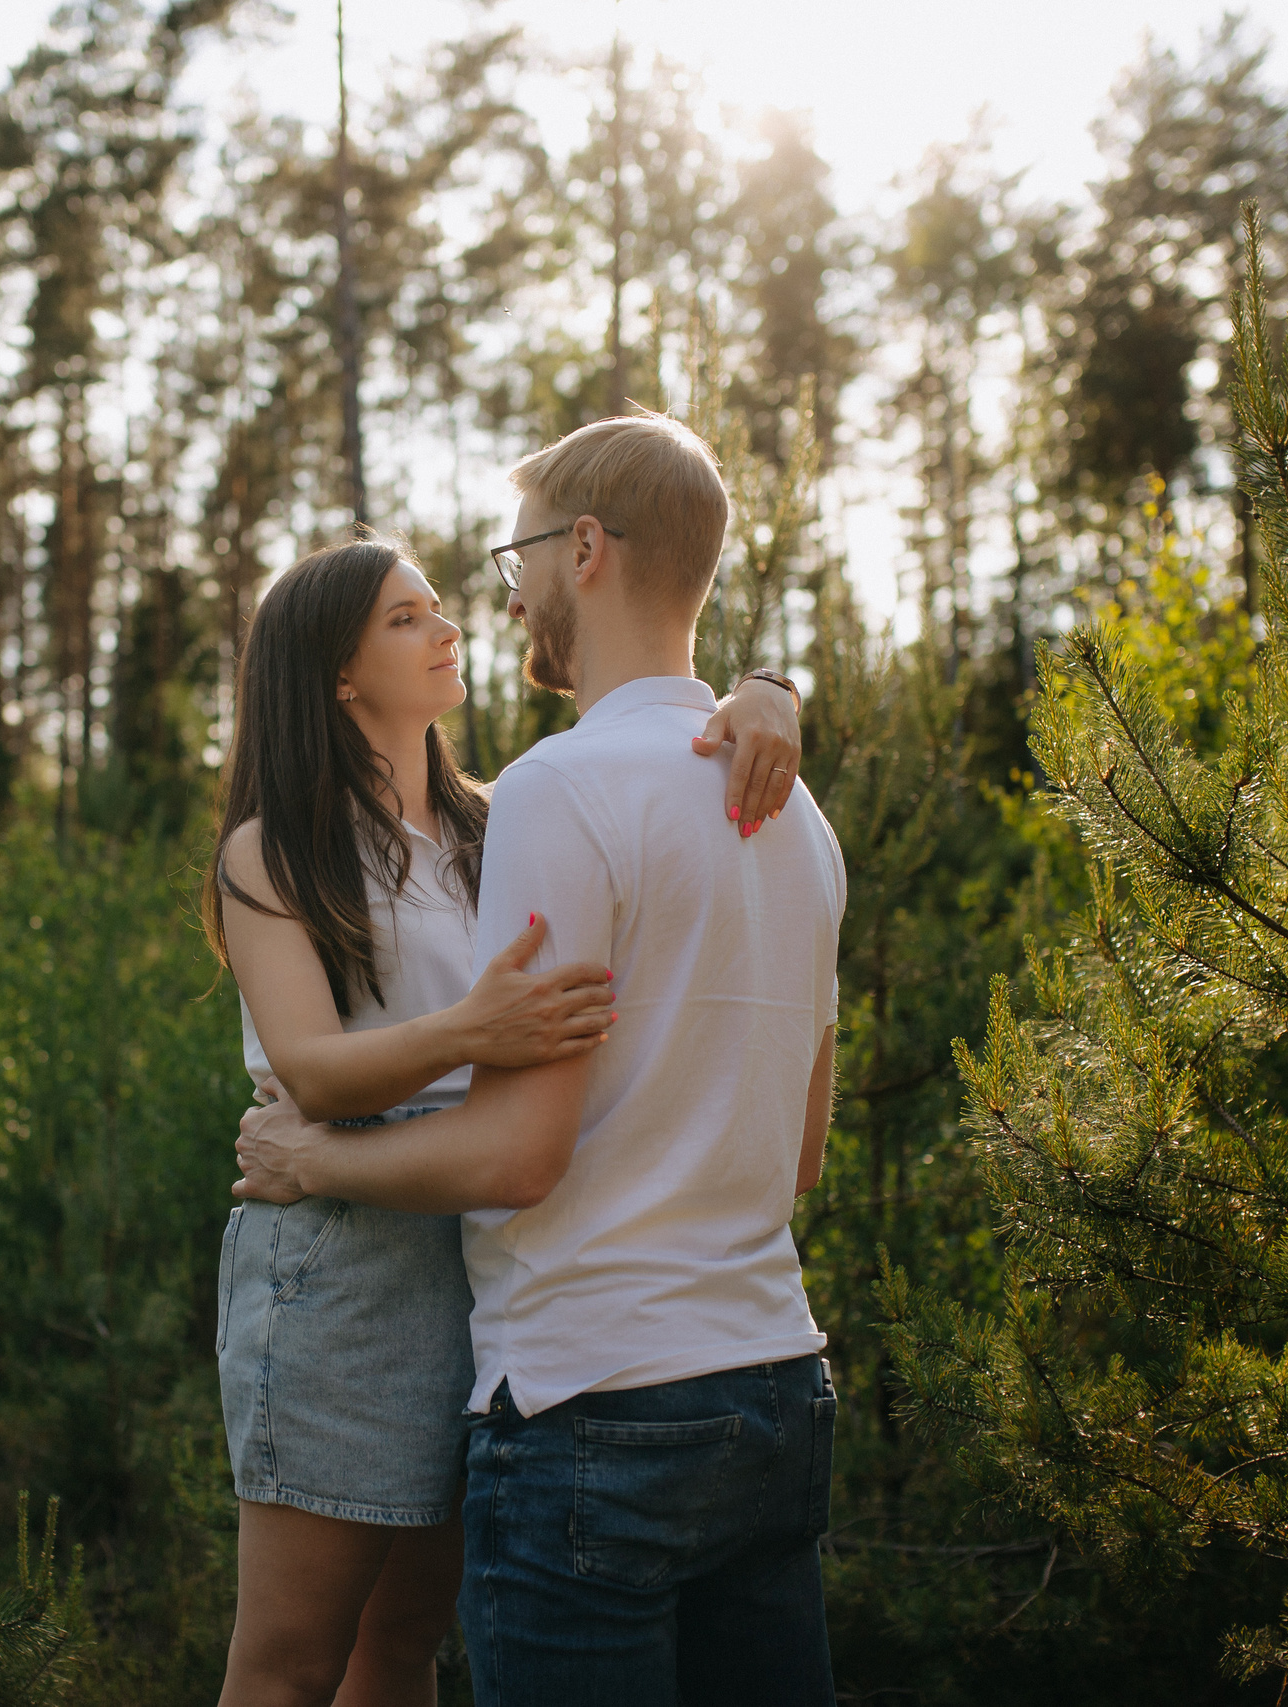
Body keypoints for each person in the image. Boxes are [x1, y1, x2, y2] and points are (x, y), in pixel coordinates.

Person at [234, 414, 848, 1706]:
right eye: (407, 616)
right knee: (309, 1654)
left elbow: (519, 1150)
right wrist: (769, 692)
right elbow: (800, 1152)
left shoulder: (540, 798)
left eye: (513, 560)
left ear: (584, 549)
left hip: (571, 1354)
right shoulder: (799, 822)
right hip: (748, 1371)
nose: (488, 603)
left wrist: (775, 688)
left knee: (395, 1651)